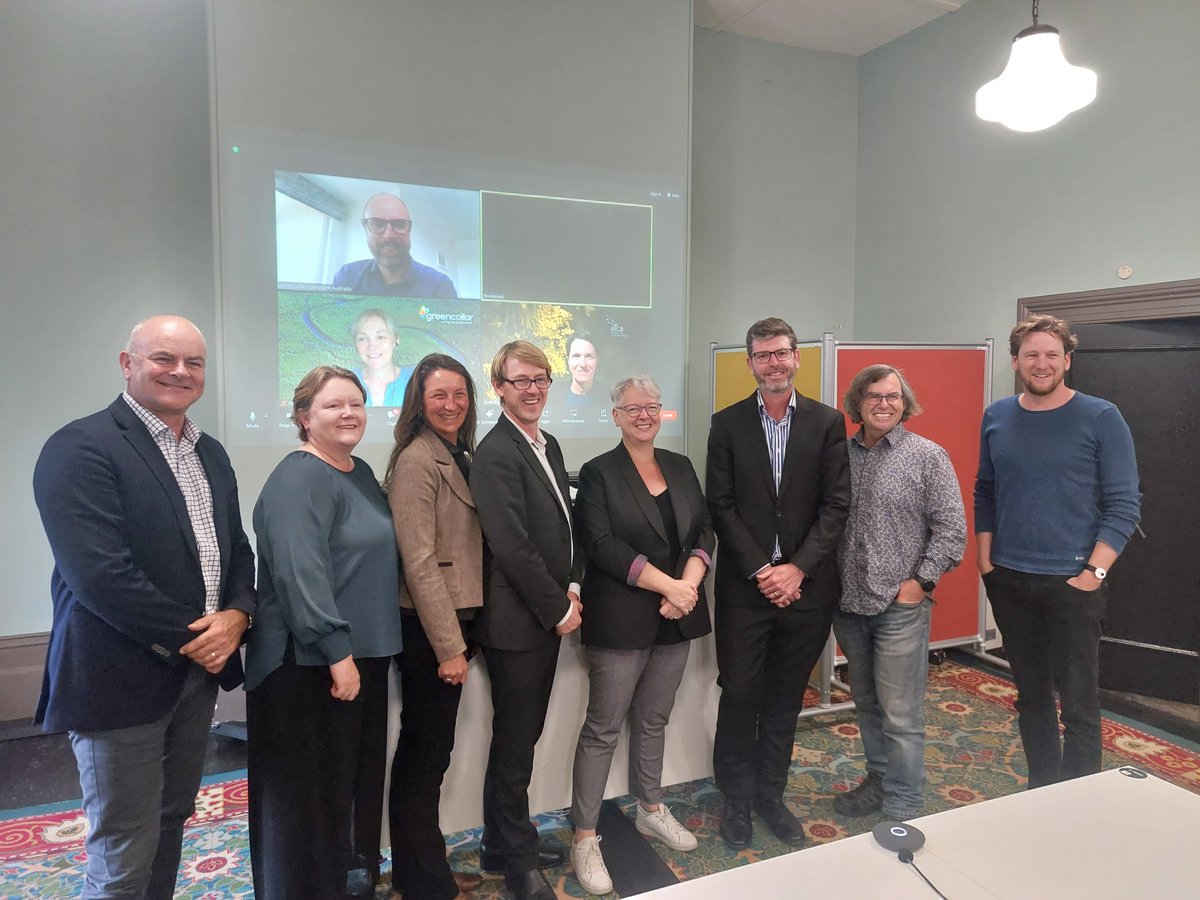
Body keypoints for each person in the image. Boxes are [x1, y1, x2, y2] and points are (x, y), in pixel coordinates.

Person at [31, 315, 256, 899]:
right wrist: (202, 637)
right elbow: (101, 577)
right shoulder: (79, 448)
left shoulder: (210, 453)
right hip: (118, 680)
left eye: (194, 363)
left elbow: (235, 550)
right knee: (123, 851)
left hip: (192, 676)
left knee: (170, 821)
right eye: (164, 358)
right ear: (128, 365)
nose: (180, 372)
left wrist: (238, 615)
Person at [245, 366, 405, 900]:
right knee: (303, 807)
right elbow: (298, 573)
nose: (348, 413)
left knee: (340, 796)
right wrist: (339, 653)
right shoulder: (298, 477)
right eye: (333, 404)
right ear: (302, 416)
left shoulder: (356, 471)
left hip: (357, 659)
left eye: (356, 404)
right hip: (308, 667)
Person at [975, 314, 1140, 789]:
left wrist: (1094, 573)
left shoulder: (1101, 416)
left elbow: (1124, 503)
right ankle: (1041, 788)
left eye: (1051, 355)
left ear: (1067, 360)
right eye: (1031, 355)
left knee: (1079, 700)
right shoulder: (997, 416)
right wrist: (986, 561)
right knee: (1031, 695)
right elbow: (985, 490)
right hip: (1009, 577)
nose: (1041, 363)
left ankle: (1081, 796)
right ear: (1015, 362)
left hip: (1074, 582)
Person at [706, 316, 850, 850]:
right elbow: (719, 505)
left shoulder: (828, 422)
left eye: (782, 353)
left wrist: (797, 569)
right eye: (763, 355)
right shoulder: (726, 424)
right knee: (740, 695)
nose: (774, 363)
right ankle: (737, 800)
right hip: (747, 592)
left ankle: (771, 794)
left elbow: (837, 505)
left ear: (796, 359)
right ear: (749, 363)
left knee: (787, 698)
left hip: (807, 590)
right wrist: (764, 571)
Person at [568, 376, 713, 895]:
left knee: (653, 719)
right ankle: (585, 836)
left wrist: (687, 587)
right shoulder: (598, 472)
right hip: (622, 619)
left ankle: (650, 807)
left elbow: (704, 532)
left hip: (677, 615)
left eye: (652, 406)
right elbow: (601, 545)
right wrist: (670, 584)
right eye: (633, 408)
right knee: (603, 728)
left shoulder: (680, 465)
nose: (644, 415)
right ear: (616, 415)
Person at [471, 340, 582, 900]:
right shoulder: (495, 452)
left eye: (541, 379)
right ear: (499, 388)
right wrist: (558, 607)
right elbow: (511, 546)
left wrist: (574, 585)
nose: (534, 388)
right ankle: (514, 859)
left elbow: (562, 525)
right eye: (521, 380)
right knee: (515, 745)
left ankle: (500, 839)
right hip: (517, 626)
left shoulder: (548, 443)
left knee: (524, 737)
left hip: (545, 614)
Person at [832, 365, 966, 820]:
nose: (883, 404)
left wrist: (921, 583)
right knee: (867, 705)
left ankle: (905, 804)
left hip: (899, 607)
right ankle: (879, 781)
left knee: (902, 716)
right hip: (848, 605)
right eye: (873, 396)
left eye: (892, 396)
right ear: (858, 403)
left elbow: (951, 530)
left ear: (904, 403)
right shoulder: (839, 456)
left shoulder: (928, 456)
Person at [384, 354, 485, 900]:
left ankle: (421, 871)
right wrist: (449, 648)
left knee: (432, 754)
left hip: (454, 623)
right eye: (438, 395)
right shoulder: (419, 459)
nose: (451, 405)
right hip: (428, 630)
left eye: (459, 394)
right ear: (418, 403)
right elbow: (418, 560)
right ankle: (425, 884)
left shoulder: (457, 452)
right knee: (424, 757)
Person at [332, 193, 457, 298]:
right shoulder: (346, 277)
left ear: (409, 229)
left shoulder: (440, 286)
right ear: (365, 228)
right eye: (377, 224)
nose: (388, 235)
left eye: (399, 224)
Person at [351, 307, 413, 406]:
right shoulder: (346, 382)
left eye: (380, 337)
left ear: (396, 339)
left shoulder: (415, 380)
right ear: (355, 344)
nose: (372, 346)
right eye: (363, 339)